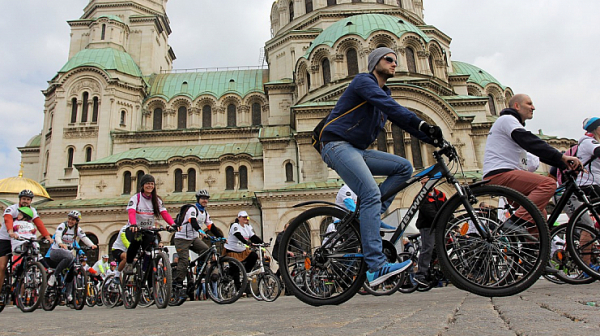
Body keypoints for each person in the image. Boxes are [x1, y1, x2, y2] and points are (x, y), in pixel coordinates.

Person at [318, 47, 443, 286]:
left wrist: (435, 139)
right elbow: (394, 109)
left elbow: (399, 118)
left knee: (404, 168)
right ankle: (375, 266)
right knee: (370, 192)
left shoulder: (385, 92)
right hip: (336, 145)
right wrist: (424, 124)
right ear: (375, 62)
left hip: (356, 149)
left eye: (396, 60)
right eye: (389, 59)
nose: (394, 63)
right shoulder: (363, 81)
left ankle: (372, 215)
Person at [483, 94, 581, 232]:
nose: (533, 107)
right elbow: (530, 142)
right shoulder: (507, 120)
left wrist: (563, 164)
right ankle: (514, 223)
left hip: (507, 175)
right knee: (548, 184)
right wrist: (562, 157)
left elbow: (536, 153)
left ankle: (533, 250)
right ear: (516, 106)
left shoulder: (512, 125)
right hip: (501, 174)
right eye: (529, 104)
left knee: (539, 215)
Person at [123, 174, 175, 275]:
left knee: (151, 252)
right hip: (135, 229)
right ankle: (129, 263)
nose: (150, 186)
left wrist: (173, 224)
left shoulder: (157, 200)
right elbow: (131, 212)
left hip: (148, 230)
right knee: (136, 242)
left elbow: (164, 213)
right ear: (142, 185)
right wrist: (133, 224)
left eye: (152, 184)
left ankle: (146, 275)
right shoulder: (136, 198)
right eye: (147, 183)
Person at [173, 189, 223, 292]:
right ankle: (177, 282)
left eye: (206, 199)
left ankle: (200, 271)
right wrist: (200, 230)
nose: (205, 201)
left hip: (193, 238)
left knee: (206, 250)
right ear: (198, 199)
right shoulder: (192, 209)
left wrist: (221, 237)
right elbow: (192, 221)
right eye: (203, 199)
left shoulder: (204, 212)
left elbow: (210, 226)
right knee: (184, 260)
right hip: (182, 238)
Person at [47, 210, 97, 288]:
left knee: (72, 269)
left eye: (73, 220)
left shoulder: (77, 229)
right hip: (56, 251)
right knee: (69, 257)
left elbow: (84, 237)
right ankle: (54, 276)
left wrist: (92, 245)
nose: (70, 221)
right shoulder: (63, 226)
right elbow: (58, 235)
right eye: (69, 219)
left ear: (77, 221)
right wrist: (60, 243)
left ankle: (68, 294)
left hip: (67, 253)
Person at [414, 177, 446, 287]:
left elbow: (447, 208)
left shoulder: (441, 195)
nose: (423, 185)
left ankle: (431, 270)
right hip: (427, 226)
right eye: (422, 183)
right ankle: (421, 273)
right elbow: (429, 213)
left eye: (425, 183)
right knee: (427, 248)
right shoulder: (422, 196)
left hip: (439, 225)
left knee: (439, 249)